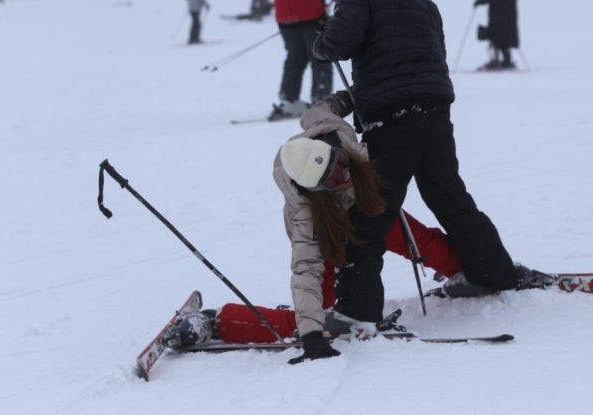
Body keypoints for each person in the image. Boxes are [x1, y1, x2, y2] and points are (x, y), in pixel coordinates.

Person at [163, 95, 549, 363]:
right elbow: (305, 270)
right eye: (333, 181)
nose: (345, 177)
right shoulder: (305, 211)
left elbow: (328, 104)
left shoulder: (328, 128)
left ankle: (471, 273)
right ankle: (219, 320)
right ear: (314, 189)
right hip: (332, 231)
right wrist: (312, 335)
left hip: (369, 208)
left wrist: (364, 95)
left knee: (418, 239)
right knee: (325, 322)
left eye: (343, 166)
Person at [311, 0, 551, 348]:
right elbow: (434, 54)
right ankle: (493, 272)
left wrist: (323, 36)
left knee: (372, 209)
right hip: (435, 110)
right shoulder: (423, 0)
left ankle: (356, 310)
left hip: (391, 115)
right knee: (448, 194)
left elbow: (338, 43)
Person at [268, 0, 337, 121]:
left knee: (295, 57)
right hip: (310, 12)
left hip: (284, 14)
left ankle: (288, 100)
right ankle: (321, 100)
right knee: (320, 56)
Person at [474, 0, 519, 70]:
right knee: (504, 37)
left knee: (496, 36)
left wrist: (481, 1)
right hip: (510, 13)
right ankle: (505, 59)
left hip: (498, 13)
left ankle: (497, 60)